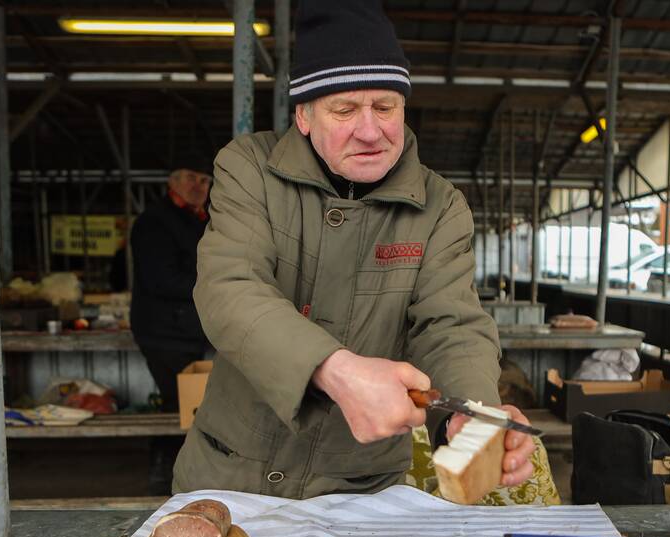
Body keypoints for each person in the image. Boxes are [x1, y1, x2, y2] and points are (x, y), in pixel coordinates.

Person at [173, 0, 535, 499]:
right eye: (344, 110)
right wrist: (335, 370)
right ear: (303, 115)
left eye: (385, 107)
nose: (370, 131)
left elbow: (451, 325)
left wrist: (471, 412)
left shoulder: (440, 205)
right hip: (231, 472)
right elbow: (229, 289)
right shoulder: (248, 168)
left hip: (356, 486)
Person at [129, 154, 214, 494]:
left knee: (186, 403)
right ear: (172, 182)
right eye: (191, 178)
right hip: (163, 330)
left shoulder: (201, 220)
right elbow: (160, 279)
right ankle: (162, 476)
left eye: (204, 180)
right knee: (174, 404)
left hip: (187, 329)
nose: (198, 186)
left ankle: (180, 473)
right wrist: (214, 285)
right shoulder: (155, 222)